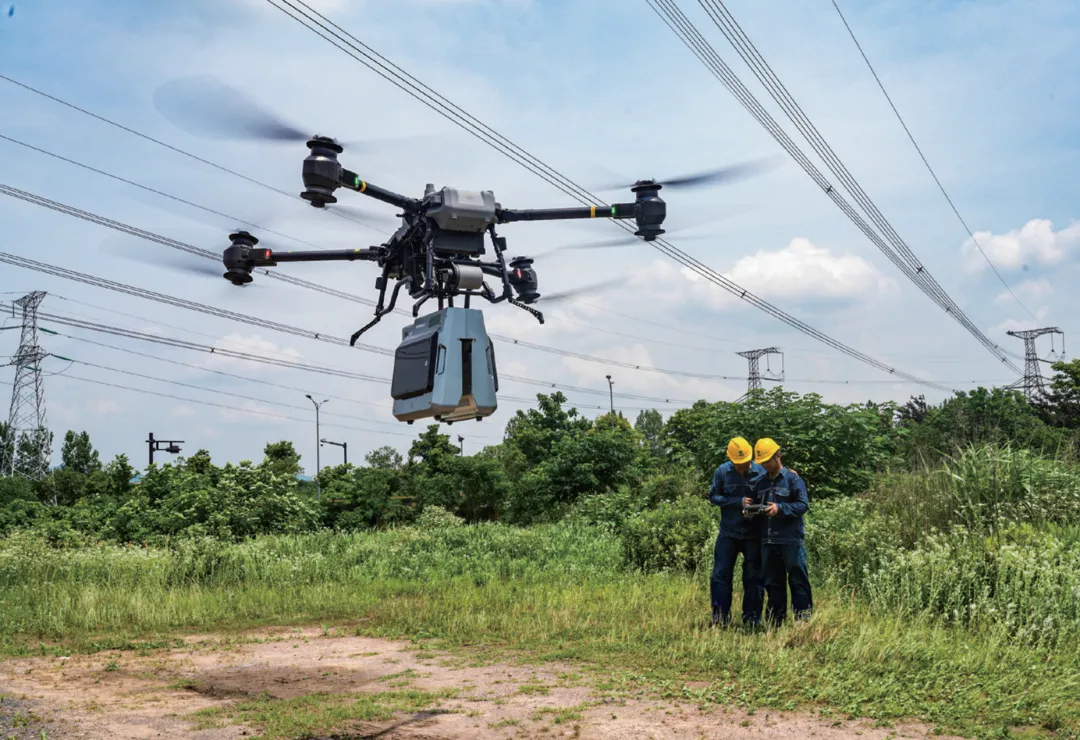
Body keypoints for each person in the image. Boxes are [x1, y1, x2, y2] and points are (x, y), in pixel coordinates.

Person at [707, 436, 766, 627]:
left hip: (754, 534)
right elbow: (713, 496)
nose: (743, 467)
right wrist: (737, 502)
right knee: (720, 575)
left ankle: (752, 620)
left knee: (754, 576)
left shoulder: (761, 471)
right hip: (729, 533)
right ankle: (720, 619)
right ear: (731, 460)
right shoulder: (722, 472)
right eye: (738, 463)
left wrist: (791, 474)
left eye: (746, 462)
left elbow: (775, 486)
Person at [753, 437, 812, 626]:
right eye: (762, 462)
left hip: (790, 540)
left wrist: (781, 509)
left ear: (778, 456)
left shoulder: (793, 480)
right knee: (773, 582)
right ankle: (775, 621)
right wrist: (751, 512)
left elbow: (803, 505)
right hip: (768, 540)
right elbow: (757, 507)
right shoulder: (760, 482)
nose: (765, 465)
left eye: (767, 461)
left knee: (798, 579)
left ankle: (802, 619)